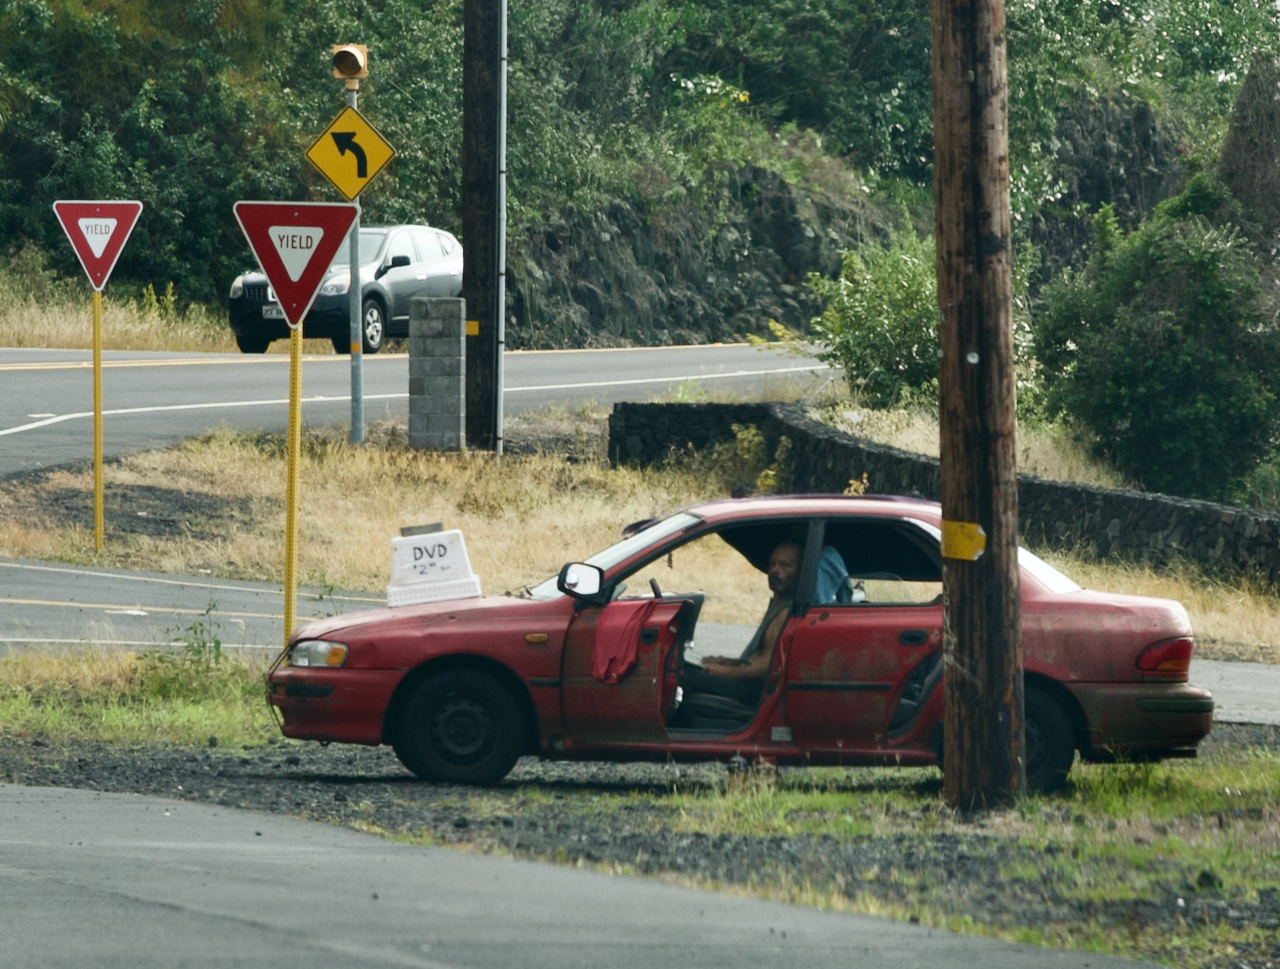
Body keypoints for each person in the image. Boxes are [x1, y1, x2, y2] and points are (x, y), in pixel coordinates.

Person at [680, 541, 802, 708]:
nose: (775, 570)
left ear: (800, 571)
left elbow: (767, 667)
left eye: (785, 565)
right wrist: (729, 662)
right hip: (747, 683)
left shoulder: (786, 611)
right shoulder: (778, 602)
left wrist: (726, 672)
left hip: (751, 692)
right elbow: (761, 657)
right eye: (772, 563)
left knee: (680, 677)